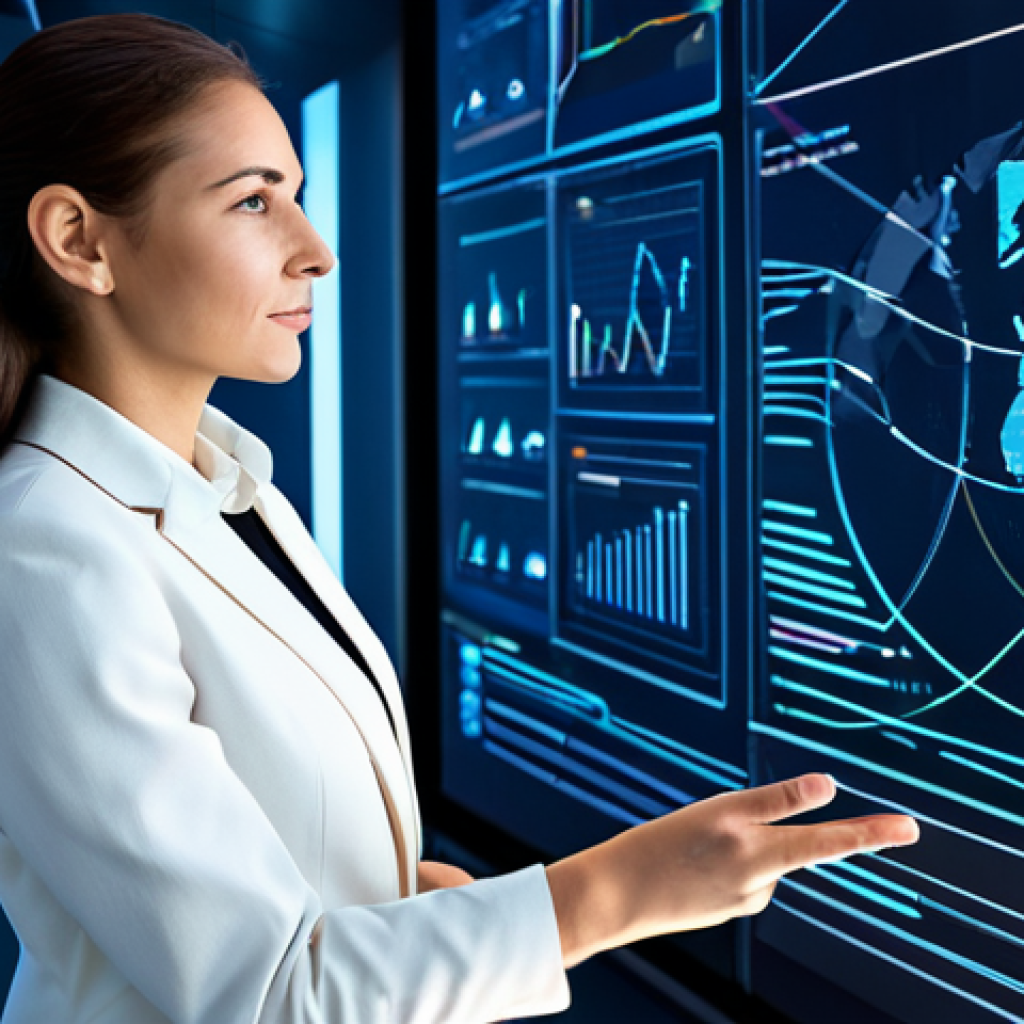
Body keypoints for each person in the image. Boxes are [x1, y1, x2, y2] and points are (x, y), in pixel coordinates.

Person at [0, 14, 919, 1024]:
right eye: (253, 202)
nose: (316, 250)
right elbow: (267, 995)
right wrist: (613, 893)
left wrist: (397, 907)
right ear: (80, 241)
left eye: (296, 197)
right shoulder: (43, 549)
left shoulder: (227, 487)